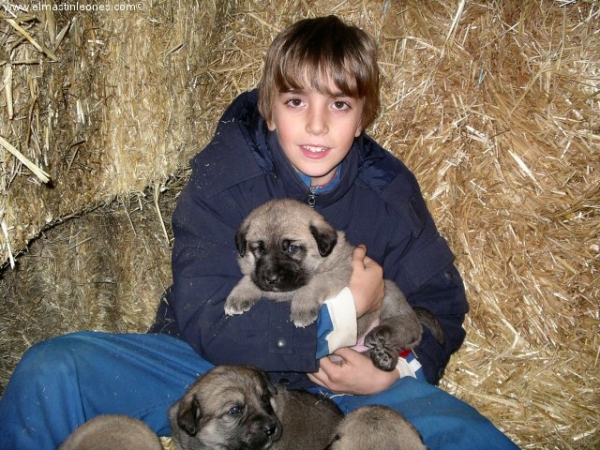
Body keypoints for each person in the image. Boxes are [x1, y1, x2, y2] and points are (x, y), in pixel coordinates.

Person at [0, 15, 519, 450]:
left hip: (350, 382)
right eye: (296, 102)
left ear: (362, 118)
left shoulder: (389, 193)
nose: (317, 125)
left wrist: (397, 369)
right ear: (270, 109)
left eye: (339, 105)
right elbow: (203, 312)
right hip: (209, 368)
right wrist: (330, 320)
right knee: (52, 369)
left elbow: (440, 305)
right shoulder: (225, 175)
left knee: (467, 436)